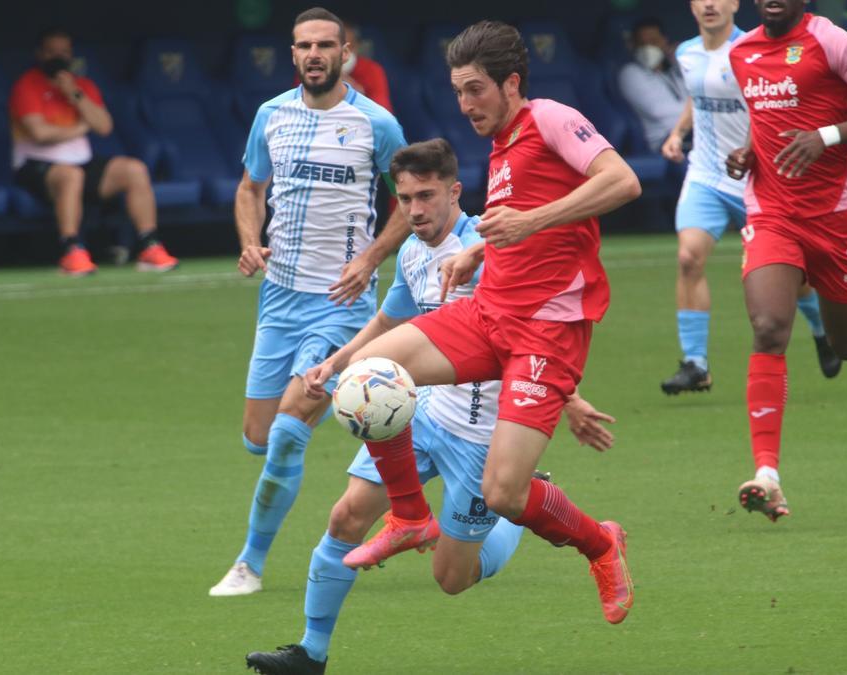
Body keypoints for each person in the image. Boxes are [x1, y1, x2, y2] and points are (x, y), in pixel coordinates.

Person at [306, 20, 642, 624]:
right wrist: (480, 250)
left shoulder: (552, 119)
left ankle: (600, 543)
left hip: (548, 331)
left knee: (505, 495)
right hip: (490, 314)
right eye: (458, 92)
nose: (465, 105)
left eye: (475, 90)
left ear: (511, 82)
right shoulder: (505, 141)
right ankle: (410, 515)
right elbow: (526, 220)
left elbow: (622, 182)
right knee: (365, 371)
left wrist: (525, 225)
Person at [244, 139, 618, 675]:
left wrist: (570, 399)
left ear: (455, 192)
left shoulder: (492, 248)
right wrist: (337, 363)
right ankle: (311, 653)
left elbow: (530, 337)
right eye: (404, 200)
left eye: (426, 196)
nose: (415, 210)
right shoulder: (415, 253)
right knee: (347, 514)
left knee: (452, 578)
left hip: (482, 431)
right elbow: (390, 322)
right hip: (419, 416)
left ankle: (511, 508)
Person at [208, 7, 410, 597]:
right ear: (292, 54)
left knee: (290, 431)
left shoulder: (376, 124)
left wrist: (371, 258)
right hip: (279, 301)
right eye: (304, 46)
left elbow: (410, 201)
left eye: (326, 45)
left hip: (342, 305)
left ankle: (249, 564)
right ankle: (401, 456)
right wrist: (250, 242)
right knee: (258, 436)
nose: (314, 54)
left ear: (346, 52)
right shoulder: (271, 116)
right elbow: (251, 187)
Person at [726, 0, 847, 520]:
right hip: (771, 211)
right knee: (770, 326)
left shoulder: (832, 41)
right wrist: (750, 152)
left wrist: (827, 136)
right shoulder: (742, 51)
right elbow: (763, 116)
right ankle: (767, 475)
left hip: (835, 213)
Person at [659, 0, 840, 394]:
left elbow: (765, 109)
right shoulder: (687, 53)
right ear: (691, 7)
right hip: (706, 174)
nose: (709, 4)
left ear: (735, 4)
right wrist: (677, 133)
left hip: (757, 177)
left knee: (796, 277)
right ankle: (695, 364)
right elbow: (697, 93)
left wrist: (749, 151)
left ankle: (821, 328)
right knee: (689, 257)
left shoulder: (753, 50)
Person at [9, 28, 178, 276]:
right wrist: (81, 127)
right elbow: (40, 134)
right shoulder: (27, 85)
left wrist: (74, 94)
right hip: (35, 166)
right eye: (51, 51)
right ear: (40, 54)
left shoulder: (82, 86)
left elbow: (104, 126)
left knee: (134, 170)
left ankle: (149, 246)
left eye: (64, 52)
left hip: (81, 162)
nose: (58, 57)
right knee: (70, 176)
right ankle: (71, 251)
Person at [618, 17, 688, 151]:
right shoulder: (631, 73)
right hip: (665, 140)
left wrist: (679, 61)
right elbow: (660, 112)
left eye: (653, 42)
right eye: (642, 43)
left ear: (664, 42)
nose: (648, 48)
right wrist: (700, 113)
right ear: (632, 45)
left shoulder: (673, 72)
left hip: (690, 134)